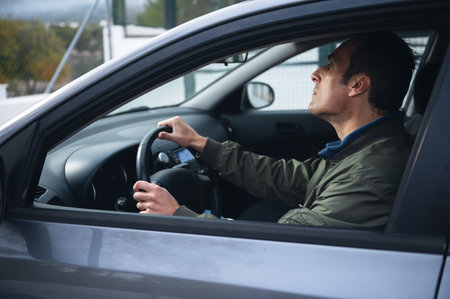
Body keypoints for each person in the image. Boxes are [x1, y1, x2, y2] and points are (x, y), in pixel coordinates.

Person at [133, 31, 415, 229]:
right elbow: (290, 179)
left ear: (357, 85)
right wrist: (201, 144)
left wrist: (177, 214)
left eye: (331, 65)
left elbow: (281, 246)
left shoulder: (368, 175)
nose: (315, 73)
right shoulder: (366, 150)